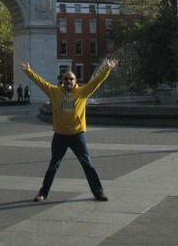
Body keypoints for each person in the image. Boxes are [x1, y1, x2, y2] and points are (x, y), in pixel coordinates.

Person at [21, 59, 117, 202]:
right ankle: (42, 193)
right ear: (62, 80)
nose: (68, 81)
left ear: (75, 80)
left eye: (71, 79)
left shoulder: (83, 92)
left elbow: (97, 82)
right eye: (66, 79)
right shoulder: (54, 91)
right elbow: (40, 82)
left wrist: (107, 69)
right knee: (53, 165)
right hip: (60, 136)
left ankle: (99, 192)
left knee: (88, 164)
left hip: (77, 136)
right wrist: (28, 71)